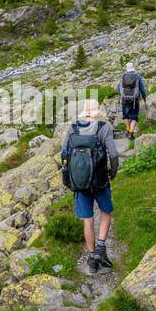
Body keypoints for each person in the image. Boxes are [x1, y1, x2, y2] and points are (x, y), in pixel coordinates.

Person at [62, 97, 120, 274]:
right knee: (105, 212)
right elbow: (114, 155)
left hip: (79, 183)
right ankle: (101, 247)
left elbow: (64, 154)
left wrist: (72, 175)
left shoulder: (72, 128)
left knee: (87, 219)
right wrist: (112, 173)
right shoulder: (104, 128)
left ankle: (92, 257)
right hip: (101, 180)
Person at [117, 62, 147, 138]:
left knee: (125, 116)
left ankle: (127, 130)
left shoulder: (123, 76)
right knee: (134, 116)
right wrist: (144, 97)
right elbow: (142, 89)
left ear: (126, 68)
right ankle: (131, 132)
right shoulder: (138, 76)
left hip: (124, 99)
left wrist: (122, 95)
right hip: (134, 100)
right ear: (133, 68)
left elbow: (118, 88)